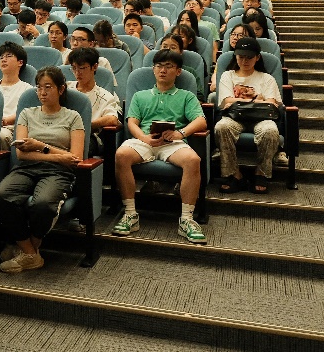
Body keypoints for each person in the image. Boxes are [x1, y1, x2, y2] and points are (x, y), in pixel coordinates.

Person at [0, 66, 85, 273]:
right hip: (27, 167)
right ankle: (30, 253)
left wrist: (40, 146)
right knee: (1, 196)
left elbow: (75, 158)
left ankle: (26, 251)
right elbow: (21, 154)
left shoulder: (73, 117)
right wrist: (57, 154)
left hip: (59, 172)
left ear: (61, 89)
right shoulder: (27, 113)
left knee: (43, 204)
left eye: (48, 87)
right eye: (39, 87)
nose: (42, 92)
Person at [112, 49, 208, 244]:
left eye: (168, 66)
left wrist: (180, 133)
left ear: (178, 71)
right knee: (121, 154)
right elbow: (132, 122)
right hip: (145, 140)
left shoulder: (186, 96)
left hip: (173, 142)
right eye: (159, 66)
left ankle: (187, 219)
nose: (162, 70)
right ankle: (130, 214)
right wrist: (144, 138)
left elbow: (201, 121)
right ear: (153, 69)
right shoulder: (140, 95)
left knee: (193, 160)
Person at [215, 38, 283, 194]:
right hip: (235, 117)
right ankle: (234, 174)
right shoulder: (228, 75)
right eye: (241, 57)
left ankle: (261, 173)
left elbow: (272, 104)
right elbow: (226, 101)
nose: (245, 61)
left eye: (249, 57)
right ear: (235, 56)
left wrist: (238, 101)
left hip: (262, 118)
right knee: (222, 126)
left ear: (257, 57)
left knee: (270, 131)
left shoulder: (267, 78)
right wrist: (258, 99)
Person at [0, 42, 32, 150]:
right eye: (1, 57)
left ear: (20, 62)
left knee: (0, 134)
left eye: (8, 56)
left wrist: (5, 121)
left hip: (11, 129)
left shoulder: (27, 89)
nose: (3, 60)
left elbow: (26, 114)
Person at [67, 47, 120, 135]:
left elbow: (112, 119)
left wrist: (85, 126)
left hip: (87, 136)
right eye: (74, 68)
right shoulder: (65, 89)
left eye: (82, 68)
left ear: (94, 67)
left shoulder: (105, 96)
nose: (77, 72)